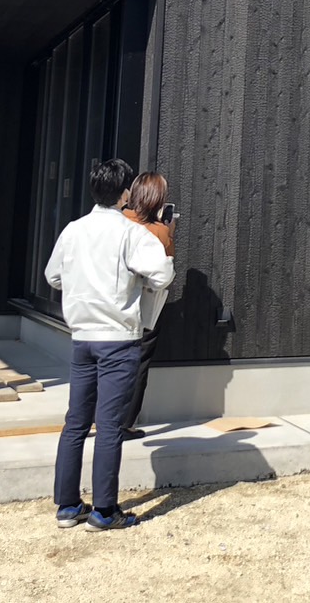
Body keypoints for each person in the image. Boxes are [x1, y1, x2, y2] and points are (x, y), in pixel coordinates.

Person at [46, 157, 173, 531]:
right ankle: (104, 511)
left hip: (82, 337)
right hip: (118, 338)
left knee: (75, 423)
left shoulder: (73, 230)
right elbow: (162, 274)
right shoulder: (131, 234)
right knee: (109, 425)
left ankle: (68, 506)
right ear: (125, 194)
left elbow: (53, 276)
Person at [121, 171, 175, 439]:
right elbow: (165, 271)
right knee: (139, 362)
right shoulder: (158, 231)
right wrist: (169, 233)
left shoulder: (119, 221)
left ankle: (89, 417)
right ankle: (125, 423)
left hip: (110, 307)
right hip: (144, 309)